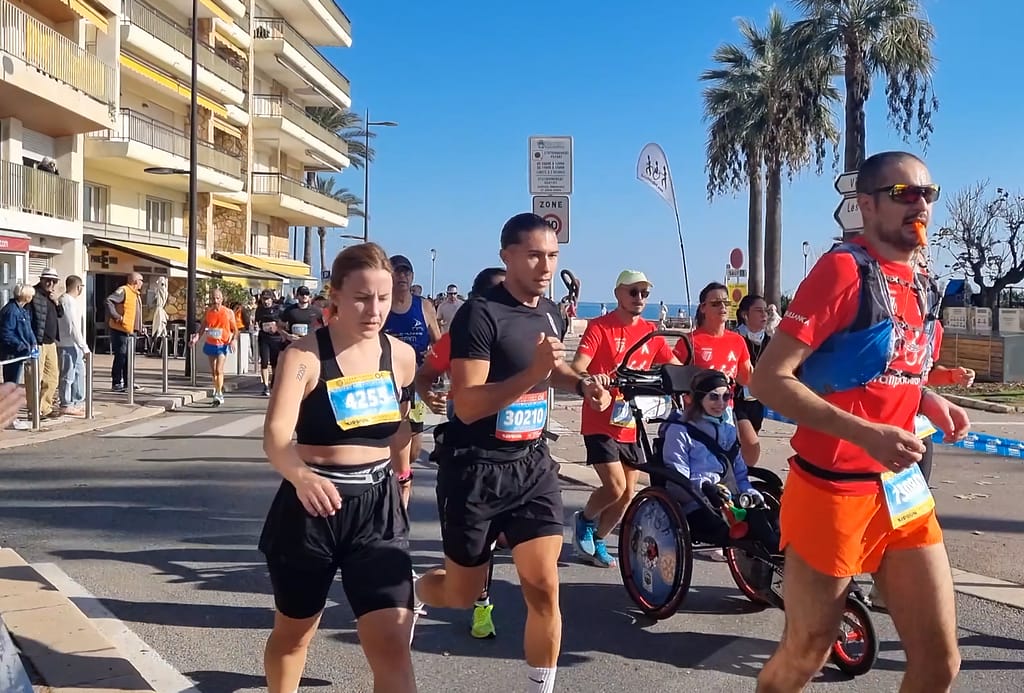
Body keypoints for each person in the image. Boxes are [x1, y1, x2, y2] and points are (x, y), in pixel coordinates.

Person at [751, 151, 969, 693]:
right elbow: (769, 380)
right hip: (831, 492)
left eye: (927, 193)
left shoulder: (922, 281)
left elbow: (885, 369)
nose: (919, 204)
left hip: (901, 492)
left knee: (940, 662)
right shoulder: (843, 271)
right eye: (903, 193)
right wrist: (867, 434)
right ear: (866, 205)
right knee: (806, 652)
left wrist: (927, 399)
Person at [414, 213, 611, 693]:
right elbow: (467, 403)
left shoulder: (551, 313)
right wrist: (531, 376)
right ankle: (414, 590)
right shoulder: (479, 315)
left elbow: (553, 370)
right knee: (460, 594)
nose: (546, 266)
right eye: (535, 255)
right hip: (475, 469)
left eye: (553, 256)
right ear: (507, 256)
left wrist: (583, 384)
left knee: (544, 587)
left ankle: (541, 686)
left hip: (531, 466)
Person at [259, 243, 417, 693]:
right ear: (336, 296)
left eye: (383, 298)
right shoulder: (303, 358)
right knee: (295, 634)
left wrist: (404, 475)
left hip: (378, 509)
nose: (375, 310)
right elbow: (276, 437)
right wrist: (301, 476)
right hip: (312, 510)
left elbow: (400, 425)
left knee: (392, 643)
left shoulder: (401, 356)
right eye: (362, 298)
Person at [415, 267, 506, 639]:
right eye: (501, 295)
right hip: (470, 451)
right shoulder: (461, 335)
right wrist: (428, 394)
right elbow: (426, 372)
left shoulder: (525, 330)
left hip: (518, 457)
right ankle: (480, 603)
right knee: (476, 546)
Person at [571, 270, 678, 568]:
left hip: (631, 422)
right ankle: (585, 519)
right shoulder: (599, 327)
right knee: (615, 486)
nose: (639, 298)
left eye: (644, 293)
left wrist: (699, 378)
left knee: (628, 493)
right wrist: (592, 379)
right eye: (633, 292)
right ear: (618, 294)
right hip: (599, 420)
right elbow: (577, 366)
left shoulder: (650, 332)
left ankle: (599, 539)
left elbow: (674, 366)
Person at [659, 369, 778, 554]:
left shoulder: (728, 428)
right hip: (697, 503)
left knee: (767, 516)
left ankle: (778, 554)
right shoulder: (679, 431)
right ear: (699, 398)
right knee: (741, 528)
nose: (721, 403)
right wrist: (705, 487)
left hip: (731, 498)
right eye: (714, 397)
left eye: (726, 397)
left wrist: (748, 490)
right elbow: (677, 478)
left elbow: (739, 471)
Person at [384, 254, 442, 507]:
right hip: (386, 383)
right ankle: (394, 487)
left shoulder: (424, 306)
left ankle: (399, 473)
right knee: (387, 436)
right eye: (397, 271)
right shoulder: (381, 305)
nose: (402, 276)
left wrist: (435, 359)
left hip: (415, 384)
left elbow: (439, 342)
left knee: (414, 447)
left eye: (406, 272)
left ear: (412, 277)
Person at [733, 294, 771, 466]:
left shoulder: (770, 341)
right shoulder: (734, 338)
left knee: (746, 444)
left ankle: (740, 473)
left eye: (766, 311)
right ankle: (744, 475)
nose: (764, 315)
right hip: (735, 400)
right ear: (745, 315)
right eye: (758, 310)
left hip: (757, 401)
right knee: (750, 443)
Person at [189, 289, 238, 406]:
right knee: (213, 371)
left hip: (222, 344)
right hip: (211, 343)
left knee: (219, 369)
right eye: (213, 298)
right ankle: (217, 389)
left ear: (222, 299)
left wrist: (233, 340)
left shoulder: (228, 312)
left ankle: (219, 393)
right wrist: (195, 339)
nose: (215, 301)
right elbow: (202, 328)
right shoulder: (209, 312)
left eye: (217, 298)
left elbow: (236, 330)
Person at [57, 275, 89, 416]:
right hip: (67, 343)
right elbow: (73, 326)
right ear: (78, 287)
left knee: (78, 373)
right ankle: (66, 403)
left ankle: (77, 401)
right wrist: (84, 346)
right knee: (68, 375)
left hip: (75, 344)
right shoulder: (66, 301)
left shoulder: (71, 301)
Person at [106, 272, 144, 393]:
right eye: (141, 280)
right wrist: (117, 316)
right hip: (121, 330)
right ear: (135, 281)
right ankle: (117, 382)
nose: (142, 283)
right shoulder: (124, 290)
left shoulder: (135, 294)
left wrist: (140, 327)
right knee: (121, 356)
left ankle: (129, 382)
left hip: (131, 330)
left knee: (129, 358)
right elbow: (109, 300)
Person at [0, 285, 37, 386]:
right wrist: (21, 345)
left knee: (16, 383)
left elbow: (28, 330)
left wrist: (33, 343)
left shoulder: (22, 310)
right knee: (11, 383)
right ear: (26, 296)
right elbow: (6, 333)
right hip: (12, 353)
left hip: (21, 353)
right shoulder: (11, 311)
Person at [255, 290, 285, 396]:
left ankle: (274, 382)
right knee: (264, 362)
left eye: (268, 299)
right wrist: (257, 326)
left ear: (272, 299)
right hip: (264, 338)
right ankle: (265, 386)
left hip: (276, 339)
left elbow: (284, 323)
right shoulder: (259, 309)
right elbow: (257, 322)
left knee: (274, 363)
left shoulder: (278, 309)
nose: (266, 301)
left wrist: (277, 327)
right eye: (264, 299)